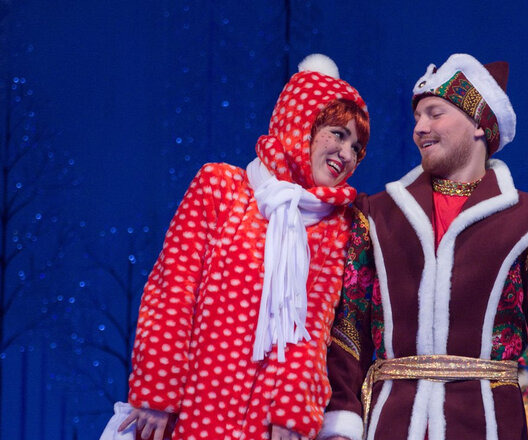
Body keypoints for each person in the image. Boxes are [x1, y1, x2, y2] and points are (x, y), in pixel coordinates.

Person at [100, 54, 370, 440]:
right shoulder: (220, 187)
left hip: (263, 422)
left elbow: (311, 330)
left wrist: (292, 413)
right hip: (187, 412)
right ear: (301, 124)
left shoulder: (333, 225)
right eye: (338, 134)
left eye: (357, 148)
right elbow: (173, 291)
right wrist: (157, 392)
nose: (347, 154)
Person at [318, 53, 528, 440]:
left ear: (479, 124)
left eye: (435, 113)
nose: (419, 128)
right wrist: (340, 423)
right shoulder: (373, 215)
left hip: (491, 427)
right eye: (417, 117)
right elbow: (347, 332)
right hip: (391, 427)